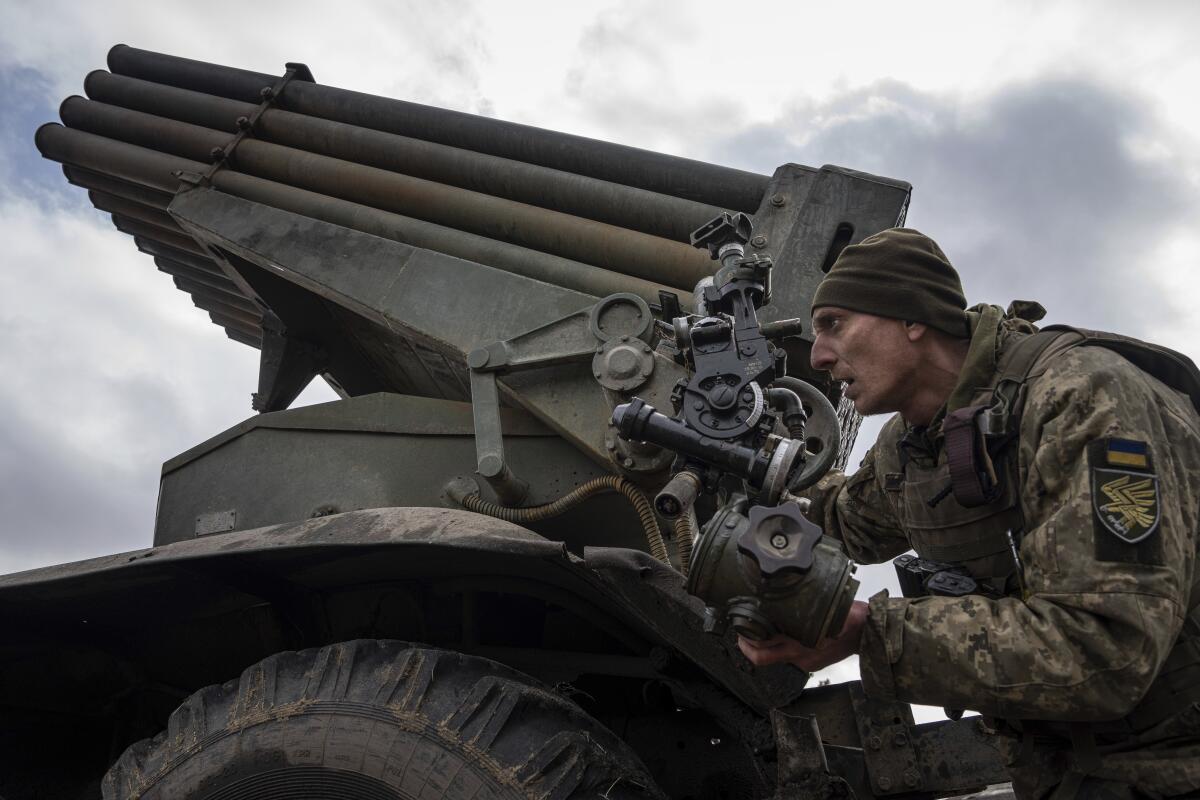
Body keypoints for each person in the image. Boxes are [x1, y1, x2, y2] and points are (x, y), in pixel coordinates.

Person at [737, 228, 1200, 798]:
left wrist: (866, 631)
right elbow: (841, 521)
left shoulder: (1083, 397)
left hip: (1171, 767)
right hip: (1064, 774)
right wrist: (745, 458)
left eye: (834, 324)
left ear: (911, 318)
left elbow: (1104, 648)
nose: (820, 356)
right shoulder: (915, 442)